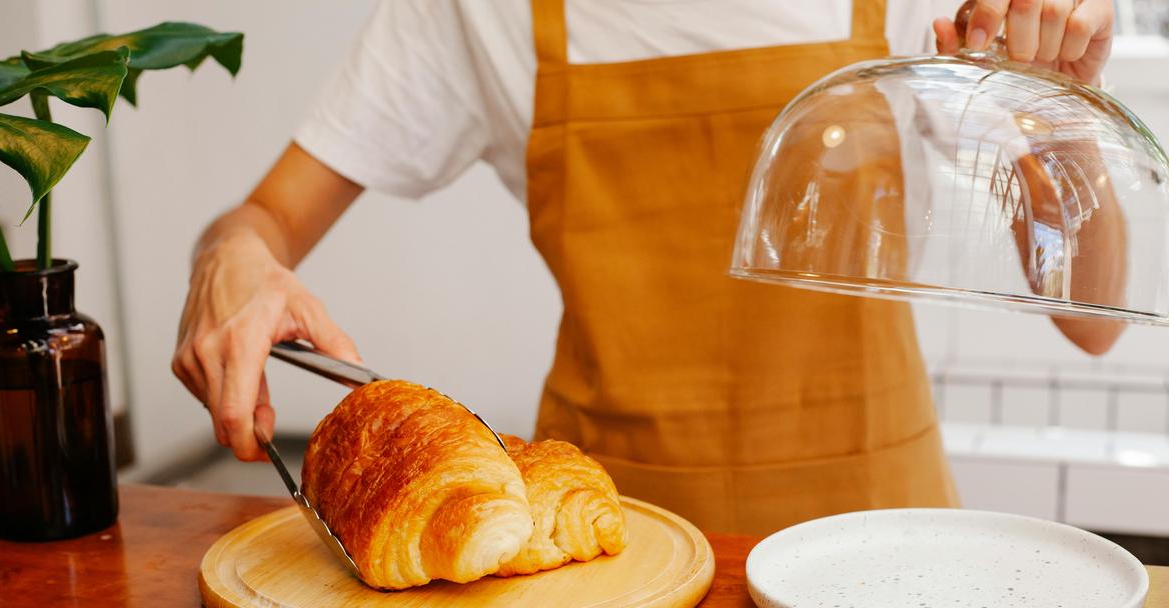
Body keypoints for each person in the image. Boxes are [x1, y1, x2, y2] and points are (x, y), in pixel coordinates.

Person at [173, 0, 1118, 535]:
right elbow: (259, 222)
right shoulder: (476, 11)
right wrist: (231, 263)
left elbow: (1093, 316)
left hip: (882, 530)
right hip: (602, 535)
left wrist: (1065, 110)